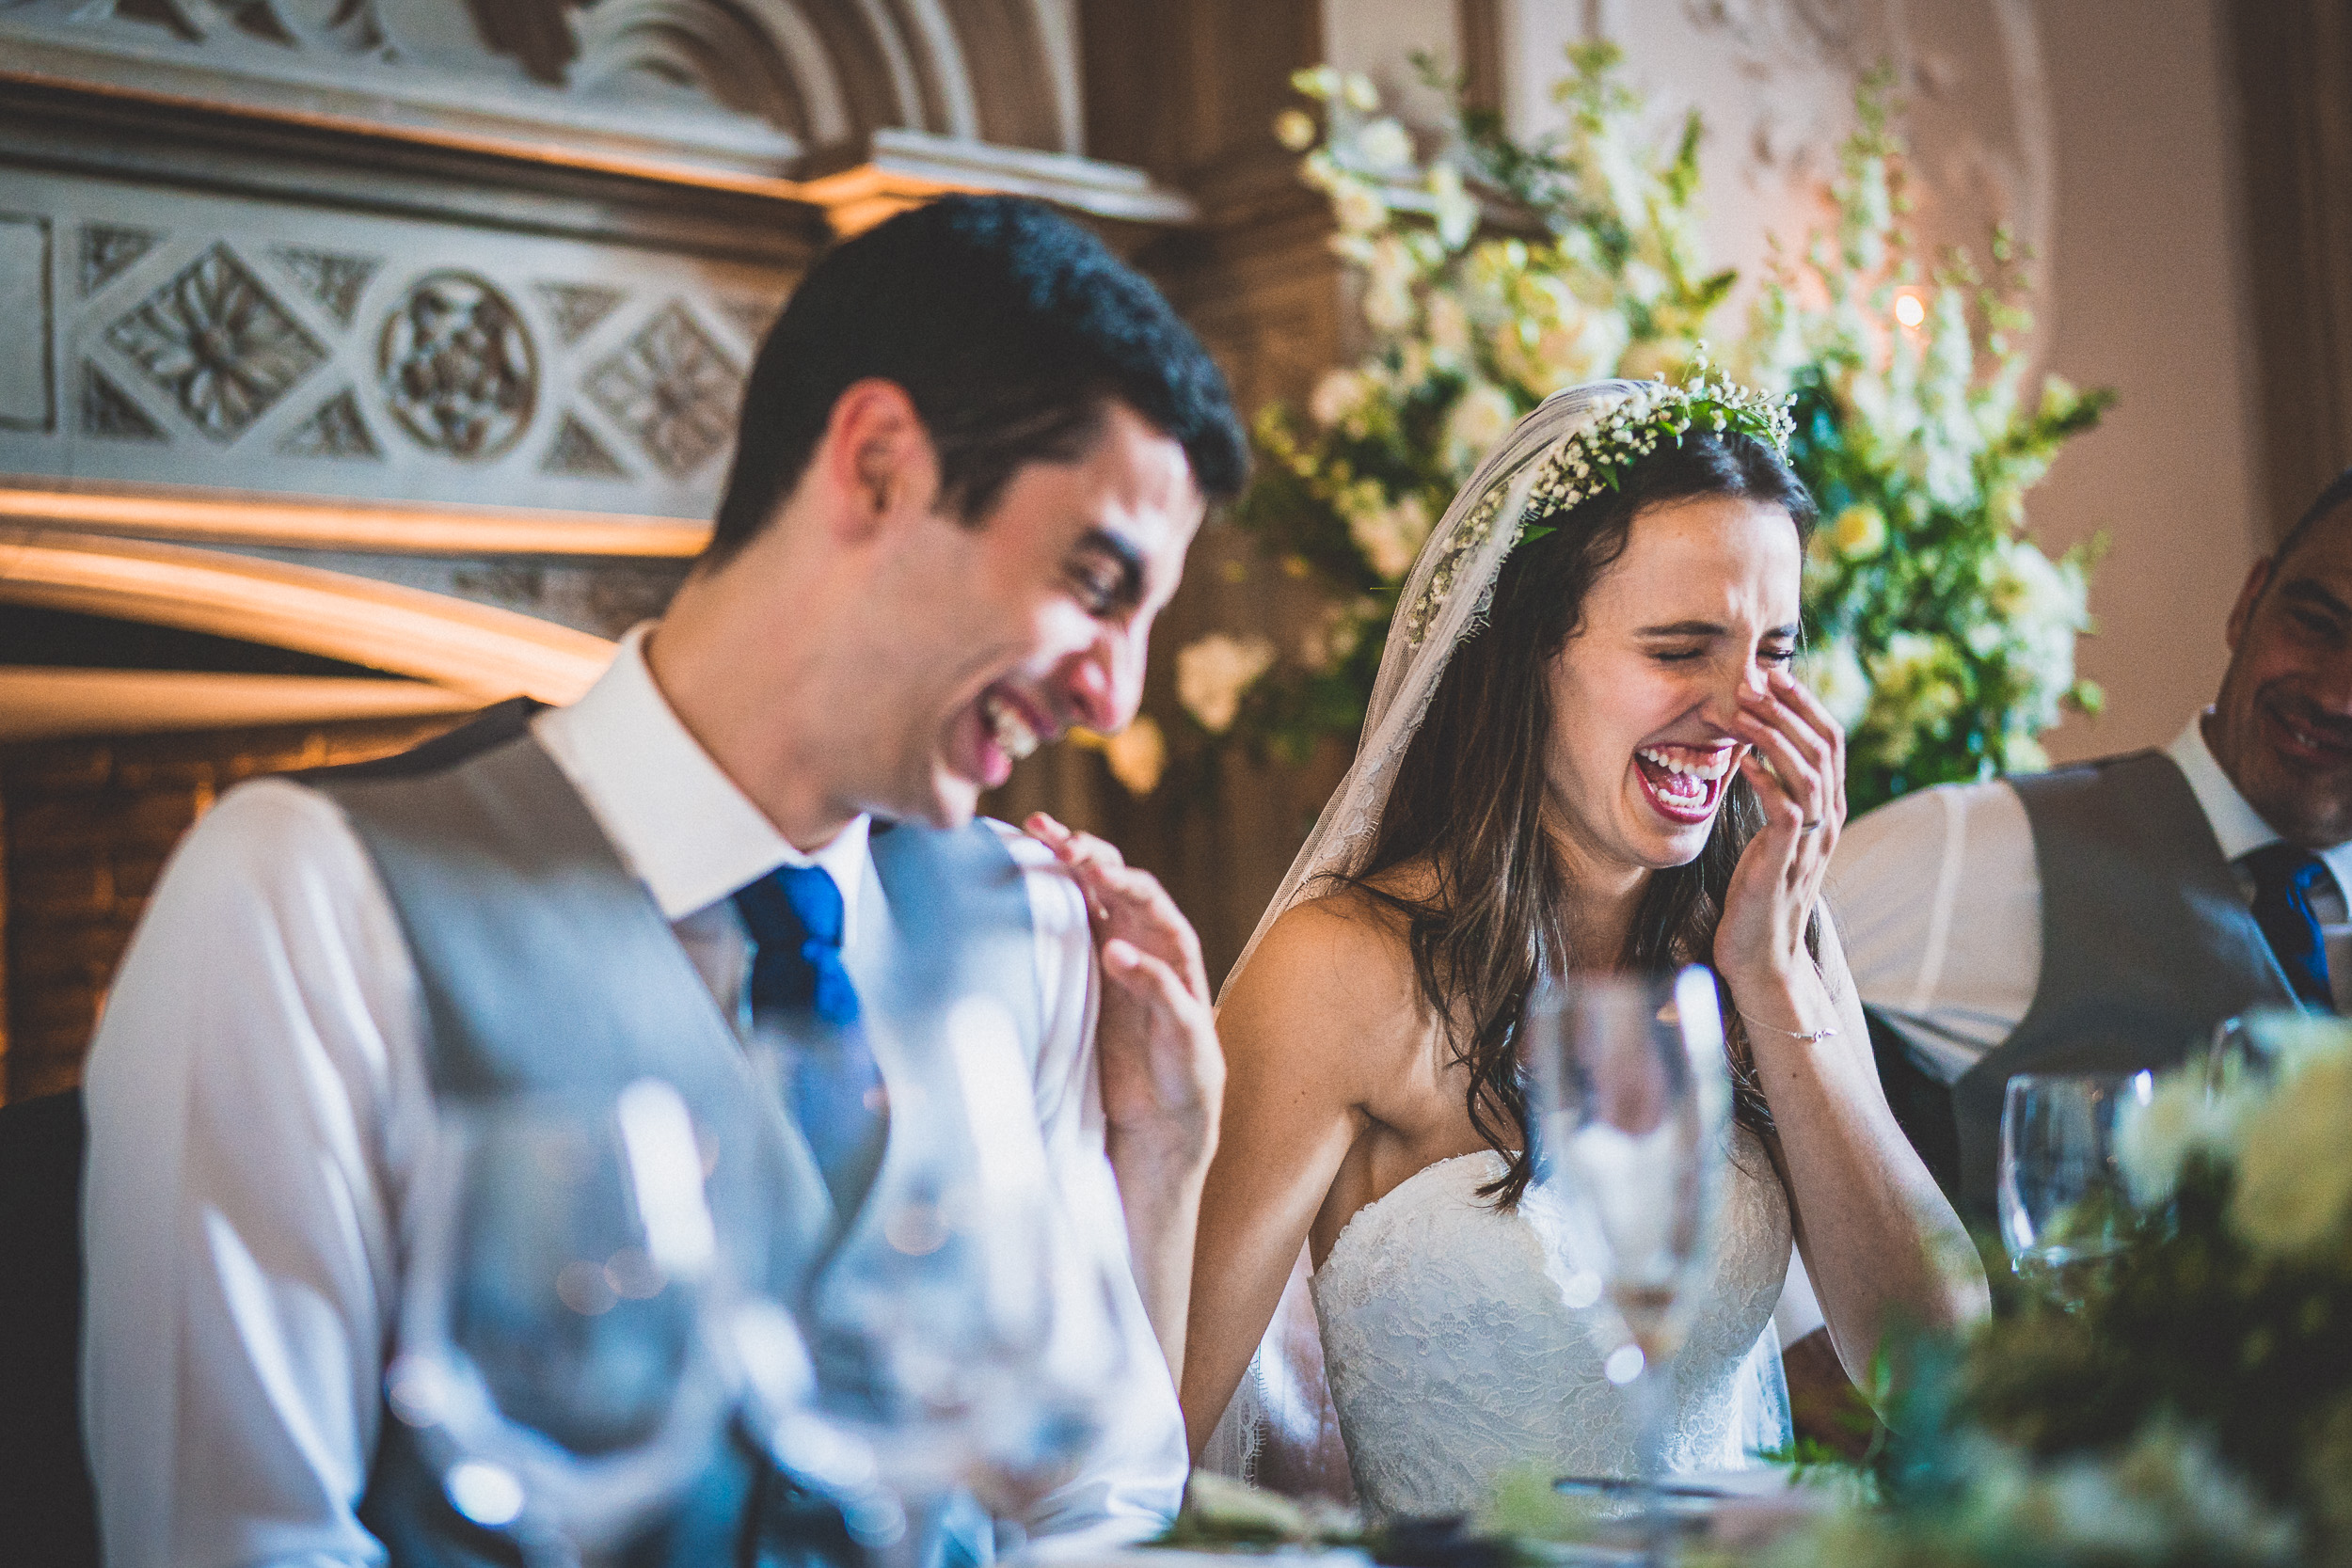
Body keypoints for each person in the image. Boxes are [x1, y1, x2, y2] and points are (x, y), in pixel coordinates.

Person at [78, 195, 1248, 1567]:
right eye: (1097, 580)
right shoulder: (303, 901)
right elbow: (235, 1543)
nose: (1116, 696)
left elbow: (1095, 1493)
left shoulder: (1039, 929)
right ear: (876, 465)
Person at [1181, 377, 1986, 1516]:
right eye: (1679, 648)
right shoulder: (1337, 972)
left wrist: (1766, 977)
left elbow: (1939, 1371)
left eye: (1773, 653)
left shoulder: (1770, 943)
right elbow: (1149, 1432)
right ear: (1525, 656)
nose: (1736, 709)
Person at [1833, 465, 2352, 1223]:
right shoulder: (1977, 849)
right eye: (2318, 622)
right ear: (2249, 604)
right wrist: (1801, 1330)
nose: (2339, 693)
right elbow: (1708, 1002)